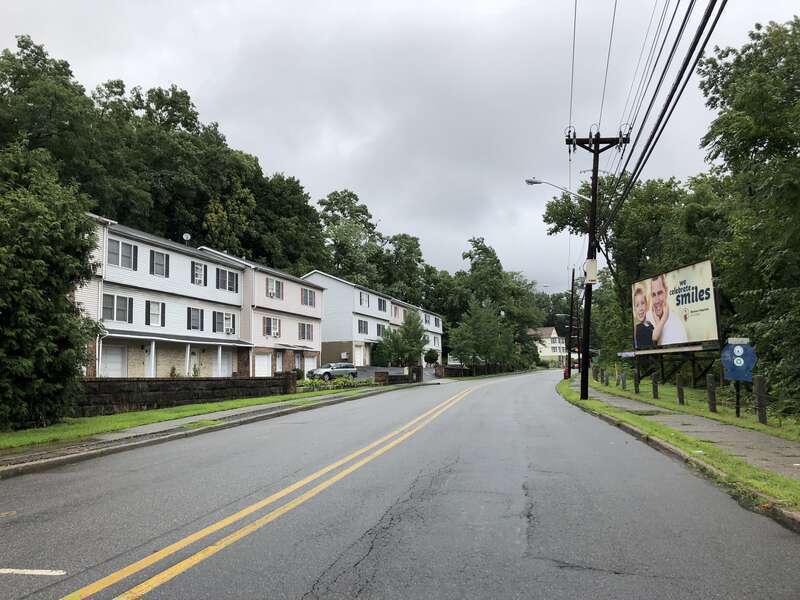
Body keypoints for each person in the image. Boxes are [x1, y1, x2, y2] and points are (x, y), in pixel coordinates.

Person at [649, 274, 688, 346]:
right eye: (653, 295)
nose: (657, 301)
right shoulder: (648, 318)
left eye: (660, 293)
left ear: (666, 292)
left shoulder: (677, 326)